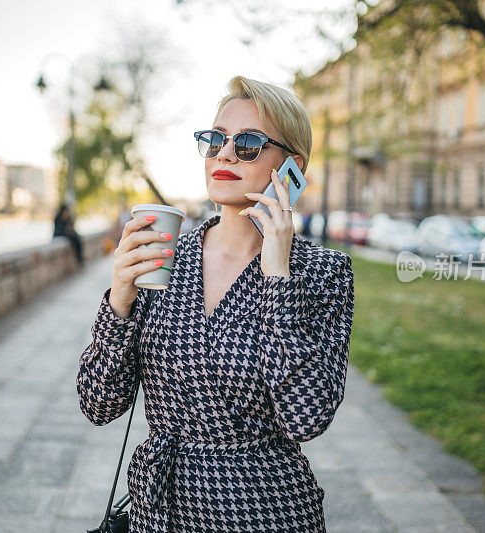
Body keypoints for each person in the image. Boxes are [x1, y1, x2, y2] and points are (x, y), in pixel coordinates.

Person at [77, 75, 355, 532]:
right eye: (215, 140)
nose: (224, 154)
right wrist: (120, 301)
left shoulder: (322, 272)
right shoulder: (165, 259)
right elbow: (98, 403)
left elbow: (307, 417)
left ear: (292, 167)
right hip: (160, 509)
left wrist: (278, 277)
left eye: (248, 144)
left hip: (264, 511)